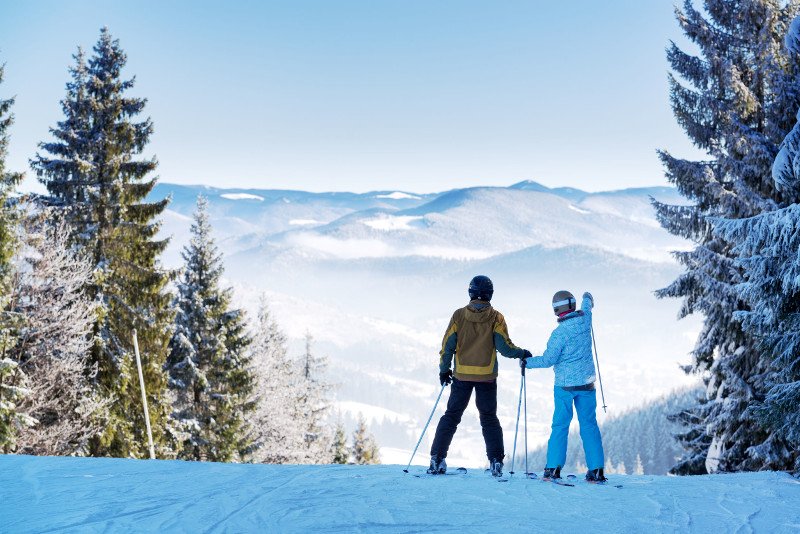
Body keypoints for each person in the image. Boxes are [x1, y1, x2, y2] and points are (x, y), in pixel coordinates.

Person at [428, 275, 531, 476]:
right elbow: (504, 347)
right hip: (486, 376)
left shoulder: (458, 316)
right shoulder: (496, 317)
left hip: (461, 375)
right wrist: (522, 352)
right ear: (490, 294)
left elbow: (447, 346)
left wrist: (443, 370)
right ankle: (495, 462)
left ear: (470, 292)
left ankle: (436, 459)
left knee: (451, 416)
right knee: (489, 418)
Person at [523, 290, 607, 483]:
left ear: (556, 310)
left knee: (560, 425)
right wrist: (587, 297)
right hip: (587, 383)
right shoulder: (585, 320)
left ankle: (553, 468)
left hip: (564, 387)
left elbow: (548, 360)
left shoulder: (559, 334)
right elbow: (588, 304)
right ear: (573, 304)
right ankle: (596, 470)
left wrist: (526, 362)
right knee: (589, 425)